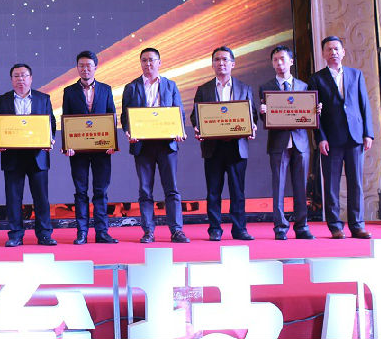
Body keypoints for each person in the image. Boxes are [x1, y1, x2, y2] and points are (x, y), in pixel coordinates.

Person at [308, 36, 374, 239]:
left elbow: (364, 105)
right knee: (331, 185)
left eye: (337, 49)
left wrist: (368, 133)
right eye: (329, 49)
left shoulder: (356, 74)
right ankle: (335, 226)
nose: (333, 52)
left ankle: (357, 225)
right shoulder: (316, 79)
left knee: (356, 183)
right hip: (330, 140)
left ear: (343, 52)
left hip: (355, 137)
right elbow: (314, 113)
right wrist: (320, 138)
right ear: (323, 54)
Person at [121, 48, 190, 244]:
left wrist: (179, 130)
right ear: (140, 63)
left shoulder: (170, 85)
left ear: (159, 62)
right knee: (145, 191)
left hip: (167, 145)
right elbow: (126, 116)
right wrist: (128, 131)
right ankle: (148, 231)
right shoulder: (131, 87)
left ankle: (176, 230)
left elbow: (178, 112)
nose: (148, 64)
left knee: (172, 189)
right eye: (144, 60)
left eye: (151, 60)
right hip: (142, 146)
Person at [190, 47, 257, 241]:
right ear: (212, 64)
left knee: (238, 192)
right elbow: (195, 116)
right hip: (213, 147)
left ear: (233, 64)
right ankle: (215, 229)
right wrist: (198, 128)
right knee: (213, 192)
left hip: (237, 147)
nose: (221, 63)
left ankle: (239, 229)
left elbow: (252, 115)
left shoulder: (245, 88)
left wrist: (252, 125)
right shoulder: (203, 89)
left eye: (225, 59)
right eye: (217, 60)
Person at [0, 63, 57, 247]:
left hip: (38, 156)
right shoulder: (2, 100)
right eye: (16, 76)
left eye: (24, 75)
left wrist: (50, 139)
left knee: (41, 198)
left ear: (31, 78)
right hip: (12, 156)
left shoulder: (43, 98)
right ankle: (15, 235)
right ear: (11, 79)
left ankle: (44, 235)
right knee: (14, 198)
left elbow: (51, 123)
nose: (20, 79)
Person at [259, 46, 319, 241]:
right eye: (275, 60)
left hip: (300, 142)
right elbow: (265, 120)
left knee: (301, 187)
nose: (279, 63)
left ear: (291, 62)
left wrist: (315, 111)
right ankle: (280, 227)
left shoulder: (303, 87)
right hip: (278, 143)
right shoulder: (265, 87)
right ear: (272, 63)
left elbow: (308, 115)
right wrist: (263, 113)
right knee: (278, 186)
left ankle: (302, 226)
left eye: (283, 59)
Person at [62, 50, 118, 244]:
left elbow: (111, 116)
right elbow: (66, 119)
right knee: (80, 192)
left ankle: (102, 232)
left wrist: (112, 142)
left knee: (101, 191)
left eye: (88, 65)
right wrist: (67, 145)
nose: (85, 69)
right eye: (81, 66)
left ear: (95, 67)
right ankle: (82, 232)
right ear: (77, 68)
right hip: (77, 151)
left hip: (102, 149)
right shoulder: (69, 91)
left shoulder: (106, 89)